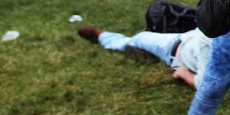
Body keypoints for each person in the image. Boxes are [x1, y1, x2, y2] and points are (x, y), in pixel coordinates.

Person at [76, 24, 213, 88]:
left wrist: (183, 73)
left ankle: (102, 37)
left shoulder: (209, 49)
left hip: (174, 47)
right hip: (190, 37)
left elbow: (203, 84)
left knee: (138, 38)